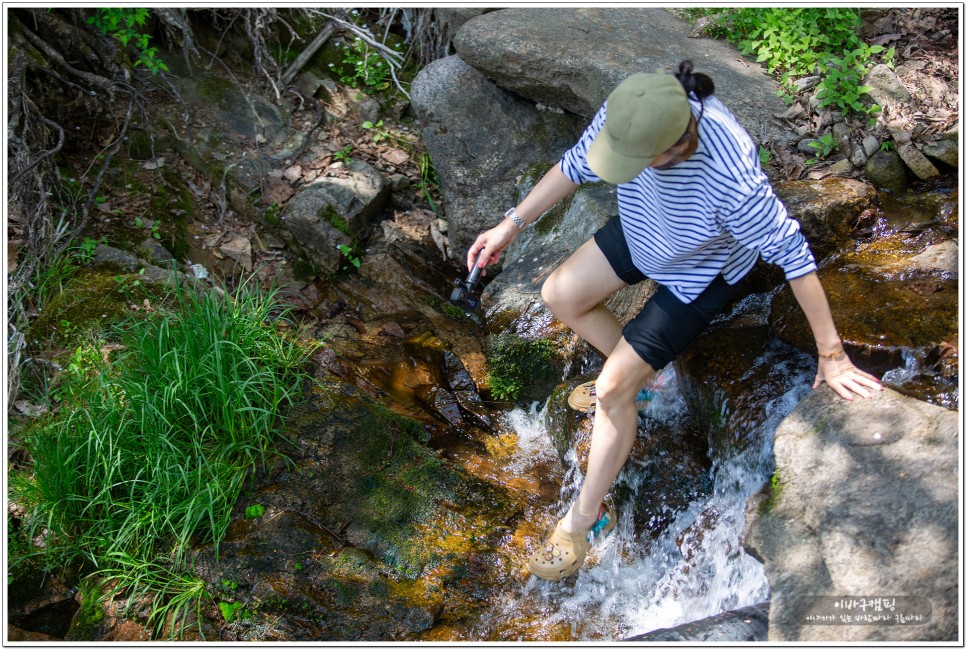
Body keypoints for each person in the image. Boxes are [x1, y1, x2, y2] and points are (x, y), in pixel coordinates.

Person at [466, 60, 883, 581]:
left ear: (677, 145)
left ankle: (583, 520)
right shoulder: (636, 106)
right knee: (559, 295)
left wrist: (831, 353)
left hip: (700, 274)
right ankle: (652, 379)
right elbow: (574, 166)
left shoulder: (729, 173)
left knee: (612, 387)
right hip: (646, 232)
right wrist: (509, 226)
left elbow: (794, 256)